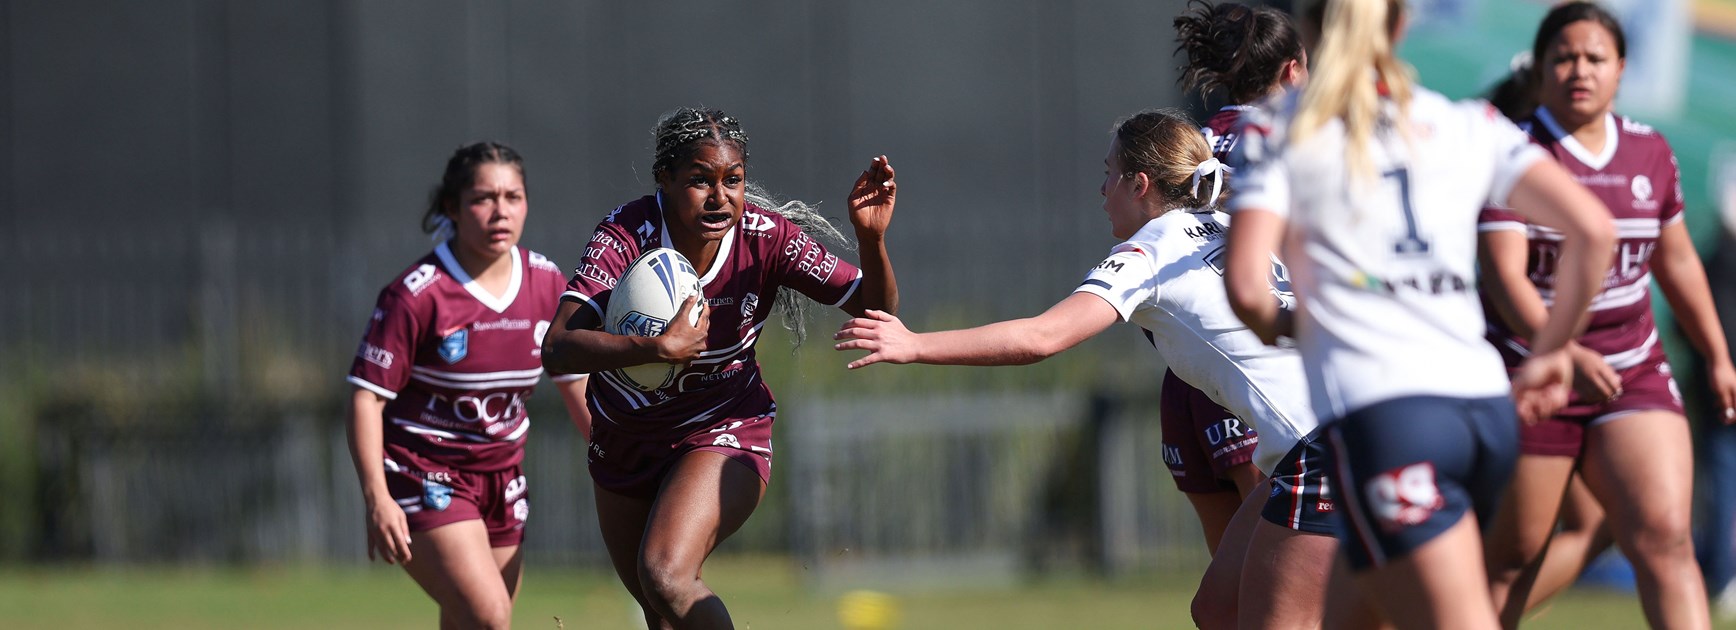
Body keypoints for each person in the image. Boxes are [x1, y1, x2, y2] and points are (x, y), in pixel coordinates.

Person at [834, 108, 1333, 630]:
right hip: (1340, 432)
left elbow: (1042, 336)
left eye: (1108, 172)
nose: (1101, 190)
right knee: (1218, 609)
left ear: (1139, 183)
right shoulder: (1233, 229)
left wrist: (914, 344)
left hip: (1323, 449)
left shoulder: (1152, 250)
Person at [1221, 0, 1616, 627]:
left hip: (1388, 420)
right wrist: (1550, 354)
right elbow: (1593, 232)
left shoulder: (1282, 127)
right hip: (1484, 415)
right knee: (1355, 614)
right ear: (1402, 26)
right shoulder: (1467, 121)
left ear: (1310, 30)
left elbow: (1247, 288)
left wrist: (1293, 326)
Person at [541, 107, 898, 629]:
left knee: (665, 574)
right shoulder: (628, 231)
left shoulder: (767, 236)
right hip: (624, 436)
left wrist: (871, 239)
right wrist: (656, 347)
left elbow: (878, 309)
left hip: (724, 428)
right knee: (659, 608)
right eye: (698, 181)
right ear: (664, 180)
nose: (720, 197)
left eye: (733, 180)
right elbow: (558, 348)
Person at [1477, 3, 1736, 628]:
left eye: (1595, 58)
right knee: (1512, 555)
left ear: (1621, 68)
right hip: (1537, 377)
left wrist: (1718, 354)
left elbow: (1677, 264)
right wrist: (1560, 352)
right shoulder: (1509, 152)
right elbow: (1506, 279)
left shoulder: (1650, 151)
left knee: (1666, 540)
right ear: (1539, 69)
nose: (1579, 70)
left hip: (1633, 371)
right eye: (1563, 57)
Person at [345, 141, 591, 629]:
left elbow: (575, 385)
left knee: (469, 622)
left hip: (502, 477)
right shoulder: (418, 293)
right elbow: (366, 397)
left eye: (513, 196)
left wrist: (627, 459)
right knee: (489, 616)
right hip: (423, 472)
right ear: (453, 208)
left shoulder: (545, 283)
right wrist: (377, 496)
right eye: (483, 198)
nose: (500, 211)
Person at [1172, 3, 1332, 628]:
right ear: (1295, 70)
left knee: (1227, 604)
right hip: (1276, 369)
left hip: (1194, 371)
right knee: (1272, 594)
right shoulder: (1306, 139)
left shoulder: (1193, 149)